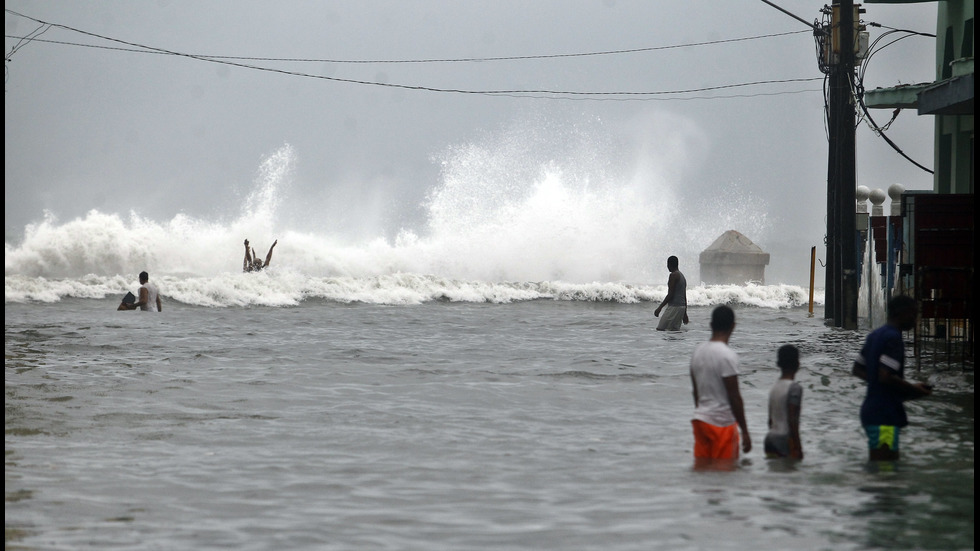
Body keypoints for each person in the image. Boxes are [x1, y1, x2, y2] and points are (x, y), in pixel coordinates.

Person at [851, 295, 932, 461]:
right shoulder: (894, 338)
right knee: (884, 470)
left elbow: (857, 369)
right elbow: (885, 376)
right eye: (913, 314)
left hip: (871, 410)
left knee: (885, 467)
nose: (915, 320)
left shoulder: (875, 335)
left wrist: (879, 383)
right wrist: (913, 389)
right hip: (884, 415)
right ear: (900, 313)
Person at [690, 305, 751, 462]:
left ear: (711, 325)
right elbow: (734, 396)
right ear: (733, 326)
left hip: (700, 421)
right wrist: (745, 431)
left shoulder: (698, 352)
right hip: (721, 425)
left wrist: (702, 411)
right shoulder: (727, 356)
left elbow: (696, 391)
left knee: (703, 470)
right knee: (725, 473)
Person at [764, 345, 803, 460]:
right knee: (789, 475)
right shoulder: (795, 388)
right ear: (797, 364)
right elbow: (792, 419)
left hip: (770, 439)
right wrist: (798, 446)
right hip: (784, 439)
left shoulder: (774, 387)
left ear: (778, 364)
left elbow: (770, 421)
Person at [654, 255, 689, 331]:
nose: (667, 267)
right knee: (674, 331)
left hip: (674, 307)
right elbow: (684, 296)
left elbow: (670, 294)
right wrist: (685, 313)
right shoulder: (682, 276)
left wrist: (659, 308)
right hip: (681, 308)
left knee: (660, 329)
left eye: (667, 264)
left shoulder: (673, 275)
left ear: (669, 264)